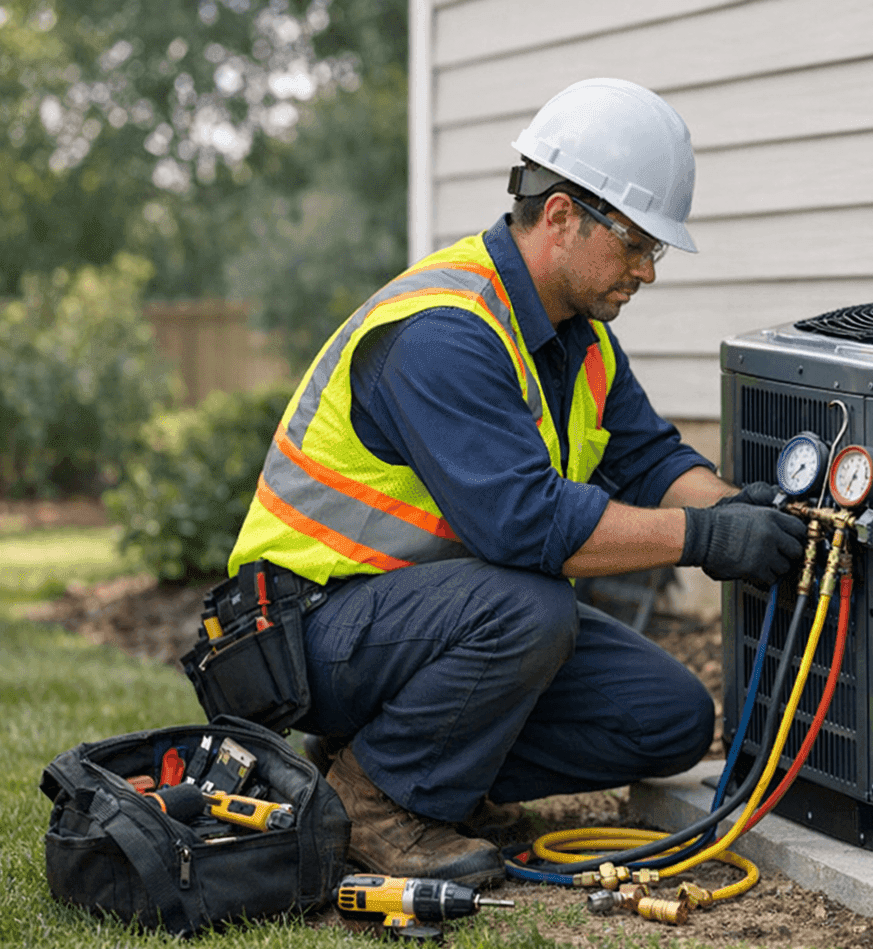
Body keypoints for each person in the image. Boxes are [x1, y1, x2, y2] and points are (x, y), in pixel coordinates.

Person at [225, 78, 806, 887]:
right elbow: (525, 526)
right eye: (635, 244)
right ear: (561, 216)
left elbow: (652, 461)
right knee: (533, 603)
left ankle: (421, 771)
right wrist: (707, 539)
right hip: (305, 631)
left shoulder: (581, 338)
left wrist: (739, 510)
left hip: (433, 621)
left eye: (656, 250)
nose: (646, 270)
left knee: (669, 719)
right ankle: (375, 801)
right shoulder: (443, 331)